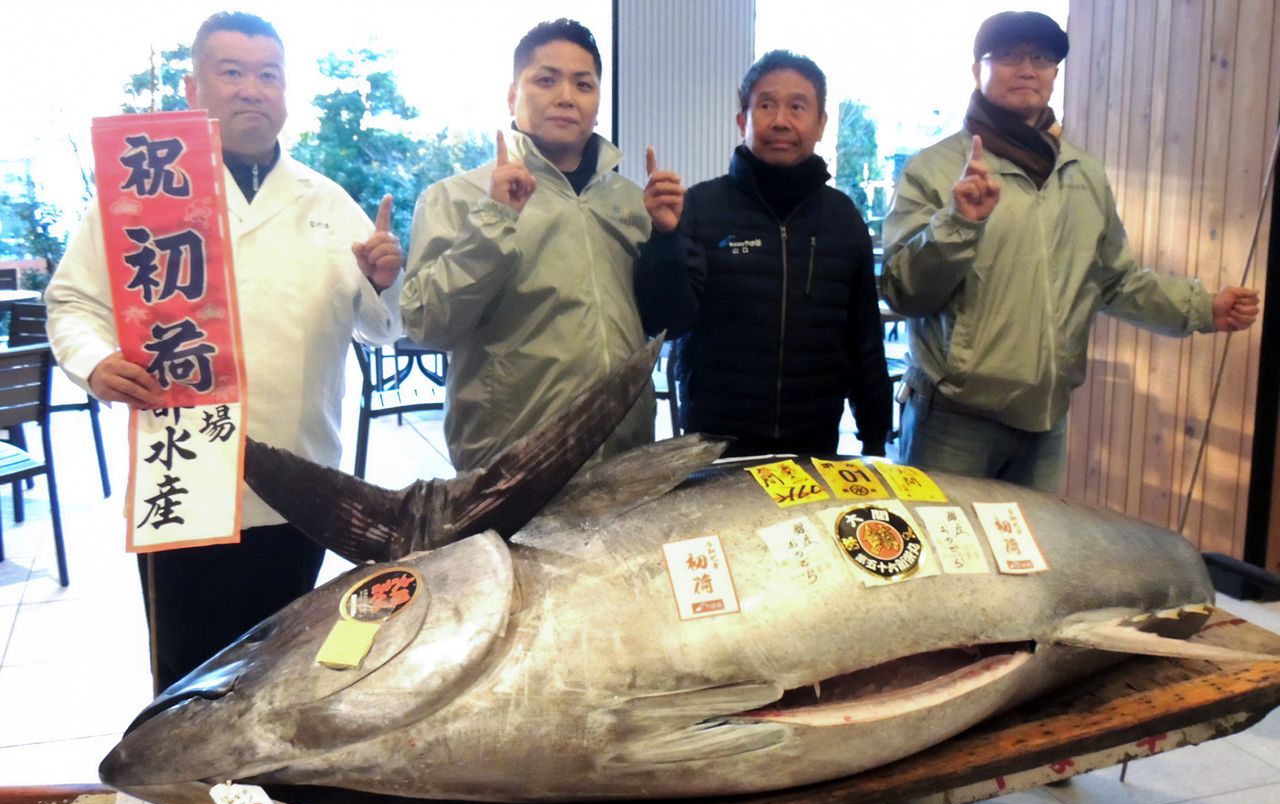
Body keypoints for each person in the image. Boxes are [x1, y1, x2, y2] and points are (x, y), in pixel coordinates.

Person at [45, 11, 403, 691]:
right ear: (194, 89)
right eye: (231, 72)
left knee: (285, 670)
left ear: (285, 92)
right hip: (186, 475)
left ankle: (274, 760)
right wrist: (94, 362)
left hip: (301, 480)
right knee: (190, 676)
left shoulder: (327, 202)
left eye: (268, 75)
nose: (251, 89)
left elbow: (380, 329)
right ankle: (187, 761)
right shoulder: (141, 197)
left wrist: (384, 281)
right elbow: (72, 303)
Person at [881, 10, 1259, 490]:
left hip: (1046, 422)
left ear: (1055, 74)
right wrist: (959, 223)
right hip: (953, 420)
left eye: (1041, 58)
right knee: (943, 539)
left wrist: (1202, 307)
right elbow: (903, 291)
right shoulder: (934, 169)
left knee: (1034, 542)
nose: (1027, 69)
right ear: (978, 70)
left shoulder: (1083, 173)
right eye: (1009, 55)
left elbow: (1115, 281)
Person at [400, 18, 659, 472]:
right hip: (512, 467)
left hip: (625, 453)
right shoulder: (456, 197)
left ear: (597, 103)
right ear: (511, 95)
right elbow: (427, 324)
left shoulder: (630, 201)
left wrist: (672, 237)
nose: (566, 96)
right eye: (546, 79)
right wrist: (494, 220)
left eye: (583, 84)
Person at [635, 50, 892, 458]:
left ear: (821, 124)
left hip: (815, 443)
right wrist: (664, 238)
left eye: (797, 107)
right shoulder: (700, 207)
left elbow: (864, 341)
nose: (781, 121)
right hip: (714, 443)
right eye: (767, 105)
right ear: (743, 122)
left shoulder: (843, 218)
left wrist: (874, 439)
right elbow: (668, 320)